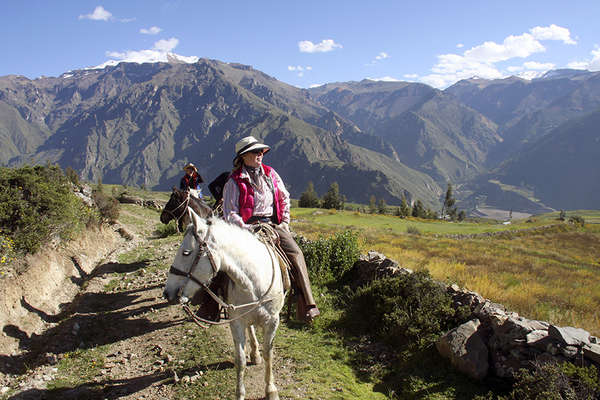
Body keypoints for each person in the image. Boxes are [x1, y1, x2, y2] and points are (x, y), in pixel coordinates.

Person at [222, 136, 320, 322]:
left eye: (261, 152)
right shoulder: (233, 181)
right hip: (246, 227)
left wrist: (284, 222)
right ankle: (211, 304)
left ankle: (308, 304)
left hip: (272, 225)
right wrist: (246, 228)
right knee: (222, 259)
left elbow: (284, 197)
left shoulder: (270, 174)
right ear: (243, 156)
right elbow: (230, 212)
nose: (260, 155)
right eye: (255, 152)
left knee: (296, 253)